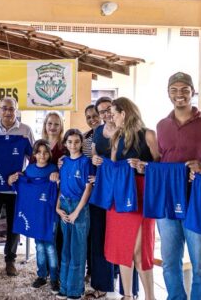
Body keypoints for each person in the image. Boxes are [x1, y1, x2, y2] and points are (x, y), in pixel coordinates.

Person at [156, 72, 201, 300]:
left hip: (198, 201)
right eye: (174, 90)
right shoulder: (161, 125)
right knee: (170, 262)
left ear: (192, 92)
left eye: (184, 90)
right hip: (167, 202)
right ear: (168, 93)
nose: (179, 94)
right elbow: (158, 160)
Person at [99, 97, 160, 300]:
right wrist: (100, 163)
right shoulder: (116, 137)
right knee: (122, 248)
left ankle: (150, 297)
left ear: (123, 114)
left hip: (141, 196)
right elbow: (114, 168)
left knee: (140, 250)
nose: (111, 118)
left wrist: (144, 166)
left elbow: (160, 164)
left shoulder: (149, 134)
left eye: (113, 114)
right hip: (119, 197)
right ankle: (127, 295)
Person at [0, 96, 34, 276]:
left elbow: (33, 159)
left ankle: (10, 260)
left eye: (11, 109)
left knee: (14, 225)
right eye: (4, 108)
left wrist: (23, 176)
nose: (8, 112)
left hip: (16, 188)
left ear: (16, 110)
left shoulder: (25, 130)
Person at [8, 139, 60, 292]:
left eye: (45, 152)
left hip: (50, 215)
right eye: (39, 152)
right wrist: (12, 179)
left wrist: (57, 176)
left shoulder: (54, 169)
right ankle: (41, 276)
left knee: (50, 247)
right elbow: (19, 184)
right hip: (35, 216)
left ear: (49, 154)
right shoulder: (29, 170)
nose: (42, 155)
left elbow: (60, 186)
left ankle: (55, 278)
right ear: (34, 154)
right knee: (39, 247)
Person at [86, 96, 120, 299]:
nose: (106, 114)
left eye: (109, 109)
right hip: (100, 189)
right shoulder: (98, 132)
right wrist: (95, 159)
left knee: (119, 236)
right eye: (102, 111)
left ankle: (125, 285)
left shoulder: (126, 130)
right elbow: (93, 155)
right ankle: (101, 285)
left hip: (120, 190)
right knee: (98, 236)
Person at [56, 129, 93, 300]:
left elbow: (88, 188)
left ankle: (75, 290)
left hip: (79, 207)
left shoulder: (86, 162)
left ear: (81, 143)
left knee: (77, 249)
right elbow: (61, 187)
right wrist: (58, 208)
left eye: (77, 142)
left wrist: (77, 212)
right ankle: (64, 287)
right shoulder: (63, 162)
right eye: (69, 142)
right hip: (64, 205)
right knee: (65, 248)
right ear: (65, 143)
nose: (73, 145)